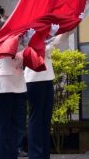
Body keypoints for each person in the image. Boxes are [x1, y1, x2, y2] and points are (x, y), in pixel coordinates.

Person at [0, 28, 35, 159]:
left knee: (16, 124)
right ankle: (2, 155)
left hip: (19, 85)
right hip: (5, 86)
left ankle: (13, 154)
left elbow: (28, 54)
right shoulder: (2, 40)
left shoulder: (20, 42)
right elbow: (11, 53)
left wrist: (26, 42)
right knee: (3, 125)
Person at [24, 25, 60, 159]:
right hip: (34, 78)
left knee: (46, 119)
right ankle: (35, 155)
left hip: (47, 77)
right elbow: (33, 47)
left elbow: (50, 46)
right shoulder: (30, 29)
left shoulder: (46, 30)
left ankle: (44, 154)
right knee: (36, 119)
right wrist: (51, 40)